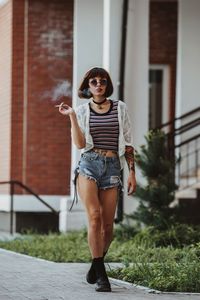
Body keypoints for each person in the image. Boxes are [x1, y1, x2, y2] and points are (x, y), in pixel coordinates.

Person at [57, 67, 136, 292]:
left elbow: (128, 143)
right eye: (93, 81)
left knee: (108, 227)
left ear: (107, 84)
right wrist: (72, 116)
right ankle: (102, 276)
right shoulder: (81, 111)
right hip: (89, 165)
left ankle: (95, 263)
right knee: (95, 217)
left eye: (102, 81)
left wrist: (132, 173)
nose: (98, 84)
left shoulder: (120, 108)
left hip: (113, 167)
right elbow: (80, 145)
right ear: (88, 86)